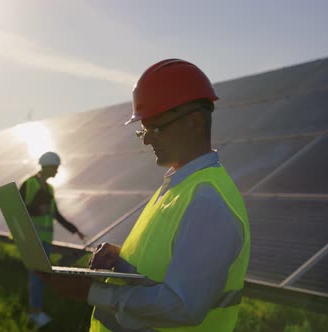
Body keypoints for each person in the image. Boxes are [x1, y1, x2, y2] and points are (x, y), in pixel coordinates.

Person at [39, 59, 250, 332]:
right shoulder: (179, 186)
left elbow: (183, 305)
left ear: (195, 122)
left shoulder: (207, 201)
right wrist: (122, 257)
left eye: (156, 128)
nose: (147, 139)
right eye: (144, 130)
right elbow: (166, 264)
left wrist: (92, 292)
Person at [19, 151, 86, 328]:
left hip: (46, 240)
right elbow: (19, 211)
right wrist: (35, 209)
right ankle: (34, 313)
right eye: (56, 168)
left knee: (39, 277)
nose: (57, 172)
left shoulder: (49, 189)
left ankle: (37, 310)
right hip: (33, 239)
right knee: (36, 276)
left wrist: (75, 230)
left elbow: (55, 213)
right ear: (48, 167)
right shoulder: (29, 184)